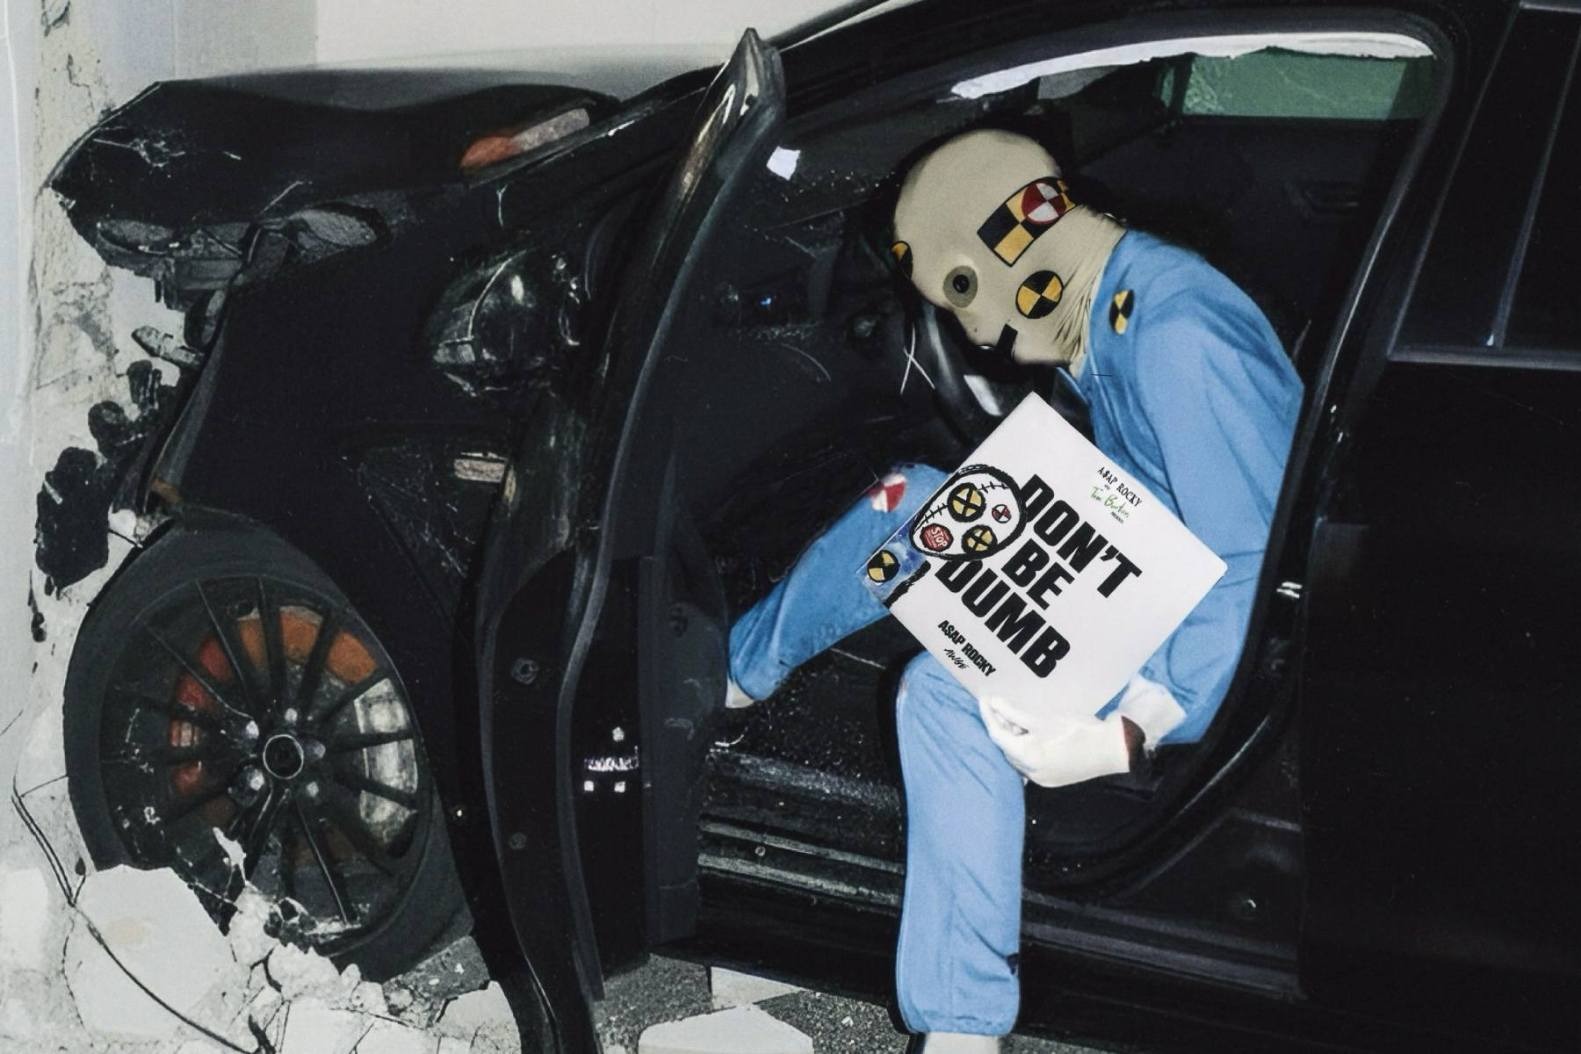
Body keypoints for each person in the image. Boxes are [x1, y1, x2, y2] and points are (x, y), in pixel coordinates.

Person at [727, 129, 1302, 1054]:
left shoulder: (1177, 335)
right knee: (910, 502)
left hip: (1204, 632)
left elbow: (1251, 564)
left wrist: (1131, 728)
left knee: (945, 693)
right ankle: (732, 678)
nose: (969, 330)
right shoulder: (1120, 296)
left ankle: (961, 1028)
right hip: (1137, 566)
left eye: (958, 298)